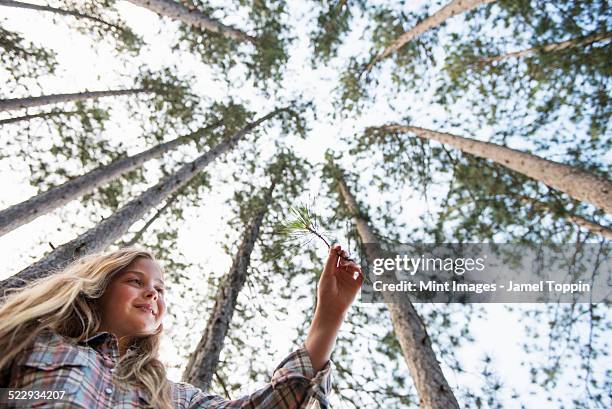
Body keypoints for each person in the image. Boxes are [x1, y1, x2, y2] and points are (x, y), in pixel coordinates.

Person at [0, 244, 363, 408]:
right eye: (136, 281)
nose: (152, 294)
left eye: (160, 289)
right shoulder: (35, 340)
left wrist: (328, 317)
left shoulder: (174, 397)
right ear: (101, 285)